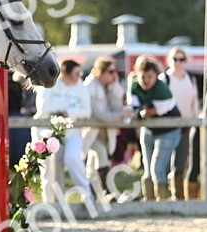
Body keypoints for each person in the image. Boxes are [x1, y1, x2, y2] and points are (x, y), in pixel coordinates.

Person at [34, 60, 93, 207]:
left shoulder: (81, 87)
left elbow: (87, 111)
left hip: (71, 131)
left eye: (80, 73)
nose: (79, 76)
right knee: (48, 168)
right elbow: (44, 106)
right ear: (65, 73)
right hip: (46, 132)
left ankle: (87, 197)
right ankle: (49, 203)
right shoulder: (49, 83)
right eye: (75, 73)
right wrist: (65, 109)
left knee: (73, 159)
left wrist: (70, 112)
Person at [128, 55, 181, 202]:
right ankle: (149, 202)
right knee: (148, 171)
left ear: (156, 76)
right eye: (142, 76)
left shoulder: (162, 90)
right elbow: (133, 108)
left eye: (149, 77)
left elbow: (155, 111)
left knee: (157, 169)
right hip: (149, 130)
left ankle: (162, 202)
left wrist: (143, 112)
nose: (145, 81)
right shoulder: (134, 86)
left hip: (167, 131)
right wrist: (138, 112)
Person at [81, 56, 126, 200]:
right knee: (100, 153)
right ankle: (107, 191)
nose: (114, 75)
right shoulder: (90, 86)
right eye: (111, 71)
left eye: (115, 71)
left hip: (105, 132)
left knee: (94, 163)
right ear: (100, 72)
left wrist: (115, 88)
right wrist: (120, 115)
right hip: (90, 131)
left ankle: (89, 194)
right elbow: (97, 114)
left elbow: (116, 106)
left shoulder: (109, 87)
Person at [161, 46, 200, 201]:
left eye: (181, 59)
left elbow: (194, 102)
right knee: (165, 161)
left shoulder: (191, 79)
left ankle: (178, 195)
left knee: (180, 161)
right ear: (169, 61)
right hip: (167, 126)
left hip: (185, 125)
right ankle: (162, 195)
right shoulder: (165, 79)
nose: (178, 62)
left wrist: (196, 120)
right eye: (175, 59)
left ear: (186, 61)